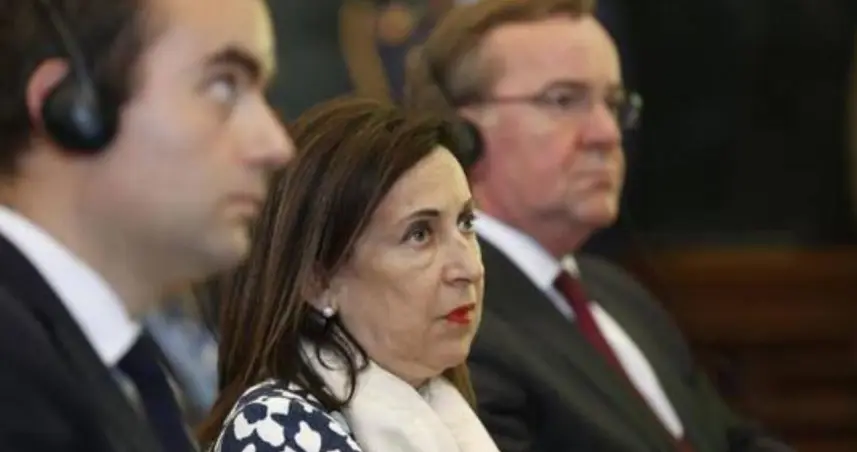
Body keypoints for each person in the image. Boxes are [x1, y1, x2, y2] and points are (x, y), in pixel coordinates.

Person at [404, 0, 792, 450]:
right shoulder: (455, 316)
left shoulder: (620, 294)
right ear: (461, 135)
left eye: (613, 103)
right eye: (563, 100)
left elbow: (734, 440)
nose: (607, 134)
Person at [0, 0, 293, 450]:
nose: (276, 146)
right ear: (71, 107)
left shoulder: (113, 369)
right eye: (223, 86)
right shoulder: (17, 377)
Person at [198, 97, 499, 452]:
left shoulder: (440, 405)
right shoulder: (277, 428)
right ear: (318, 282)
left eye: (466, 223)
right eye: (419, 234)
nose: (469, 268)